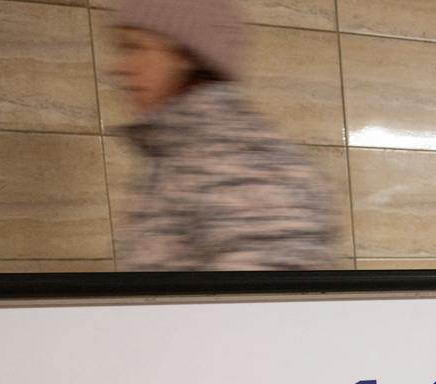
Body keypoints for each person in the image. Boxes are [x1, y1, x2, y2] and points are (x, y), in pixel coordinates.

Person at [112, 0, 332, 271]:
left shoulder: (242, 160)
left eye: (135, 47)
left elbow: (269, 304)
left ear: (186, 55)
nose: (119, 66)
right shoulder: (186, 153)